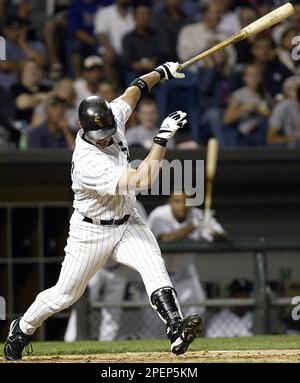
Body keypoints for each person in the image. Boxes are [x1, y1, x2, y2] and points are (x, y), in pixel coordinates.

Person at [4, 60, 203, 361]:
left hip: (127, 221)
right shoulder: (88, 162)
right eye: (100, 136)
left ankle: (175, 327)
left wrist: (160, 73)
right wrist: (161, 139)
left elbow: (134, 90)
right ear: (83, 130)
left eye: (109, 131)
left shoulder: (111, 117)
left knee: (153, 263)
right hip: (91, 231)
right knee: (65, 295)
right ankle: (22, 327)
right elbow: (144, 179)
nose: (107, 138)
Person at [139, 191, 228, 339]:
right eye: (177, 201)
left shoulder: (198, 215)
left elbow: (223, 236)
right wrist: (194, 225)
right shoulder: (159, 215)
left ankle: (189, 343)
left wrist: (210, 229)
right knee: (153, 322)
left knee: (197, 311)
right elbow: (166, 238)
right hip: (158, 276)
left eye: (185, 201)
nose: (181, 206)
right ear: (170, 202)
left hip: (184, 273)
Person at [223, 64, 270, 146]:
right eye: (250, 75)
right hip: (245, 134)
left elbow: (270, 115)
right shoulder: (239, 94)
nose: (253, 78)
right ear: (245, 78)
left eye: (256, 75)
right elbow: (226, 119)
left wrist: (264, 112)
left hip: (263, 130)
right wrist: (244, 108)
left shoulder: (264, 94)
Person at [0, 15, 46, 89]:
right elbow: (4, 65)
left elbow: (41, 62)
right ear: (5, 31)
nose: (16, 32)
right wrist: (25, 67)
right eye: (12, 29)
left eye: (19, 28)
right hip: (8, 86)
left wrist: (22, 43)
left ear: (24, 29)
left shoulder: (35, 44)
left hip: (34, 84)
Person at [122, 4, 162, 79]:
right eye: (141, 14)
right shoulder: (128, 38)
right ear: (134, 17)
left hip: (154, 72)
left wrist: (153, 62)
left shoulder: (156, 36)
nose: (144, 17)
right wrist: (140, 66)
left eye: (146, 14)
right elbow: (126, 61)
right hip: (135, 73)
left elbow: (161, 54)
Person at [11, 58, 52, 127]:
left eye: (36, 68)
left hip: (46, 127)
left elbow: (54, 103)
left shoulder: (48, 88)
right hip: (22, 127)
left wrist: (32, 100)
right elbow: (22, 103)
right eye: (29, 69)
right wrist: (41, 97)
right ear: (21, 73)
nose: (33, 72)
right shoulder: (15, 88)